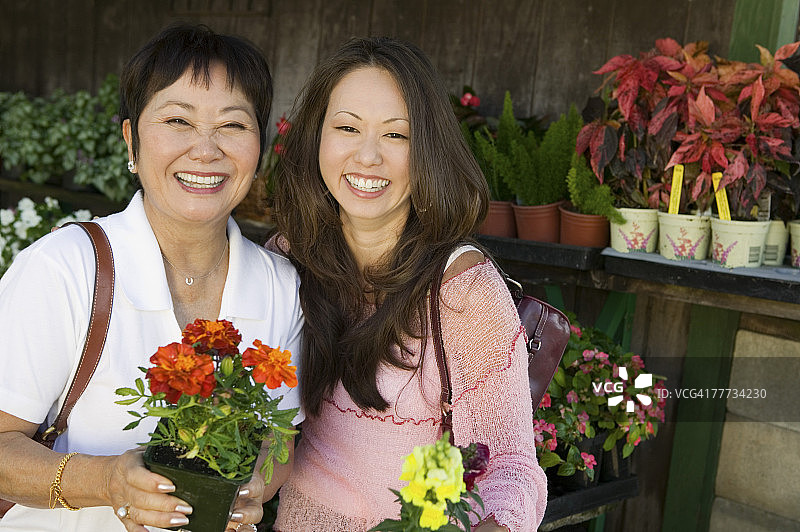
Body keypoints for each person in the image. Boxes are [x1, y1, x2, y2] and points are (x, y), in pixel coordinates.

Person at [0, 24, 303, 532]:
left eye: (232, 125)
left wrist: (252, 489)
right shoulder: (66, 268)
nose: (205, 150)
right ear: (131, 141)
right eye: (178, 120)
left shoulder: (279, 285)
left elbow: (281, 434)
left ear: (261, 146)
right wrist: (108, 483)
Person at [269, 36, 547, 532]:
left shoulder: (461, 289)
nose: (368, 156)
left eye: (396, 136)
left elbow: (511, 466)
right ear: (316, 138)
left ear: (427, 151)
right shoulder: (288, 259)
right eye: (347, 128)